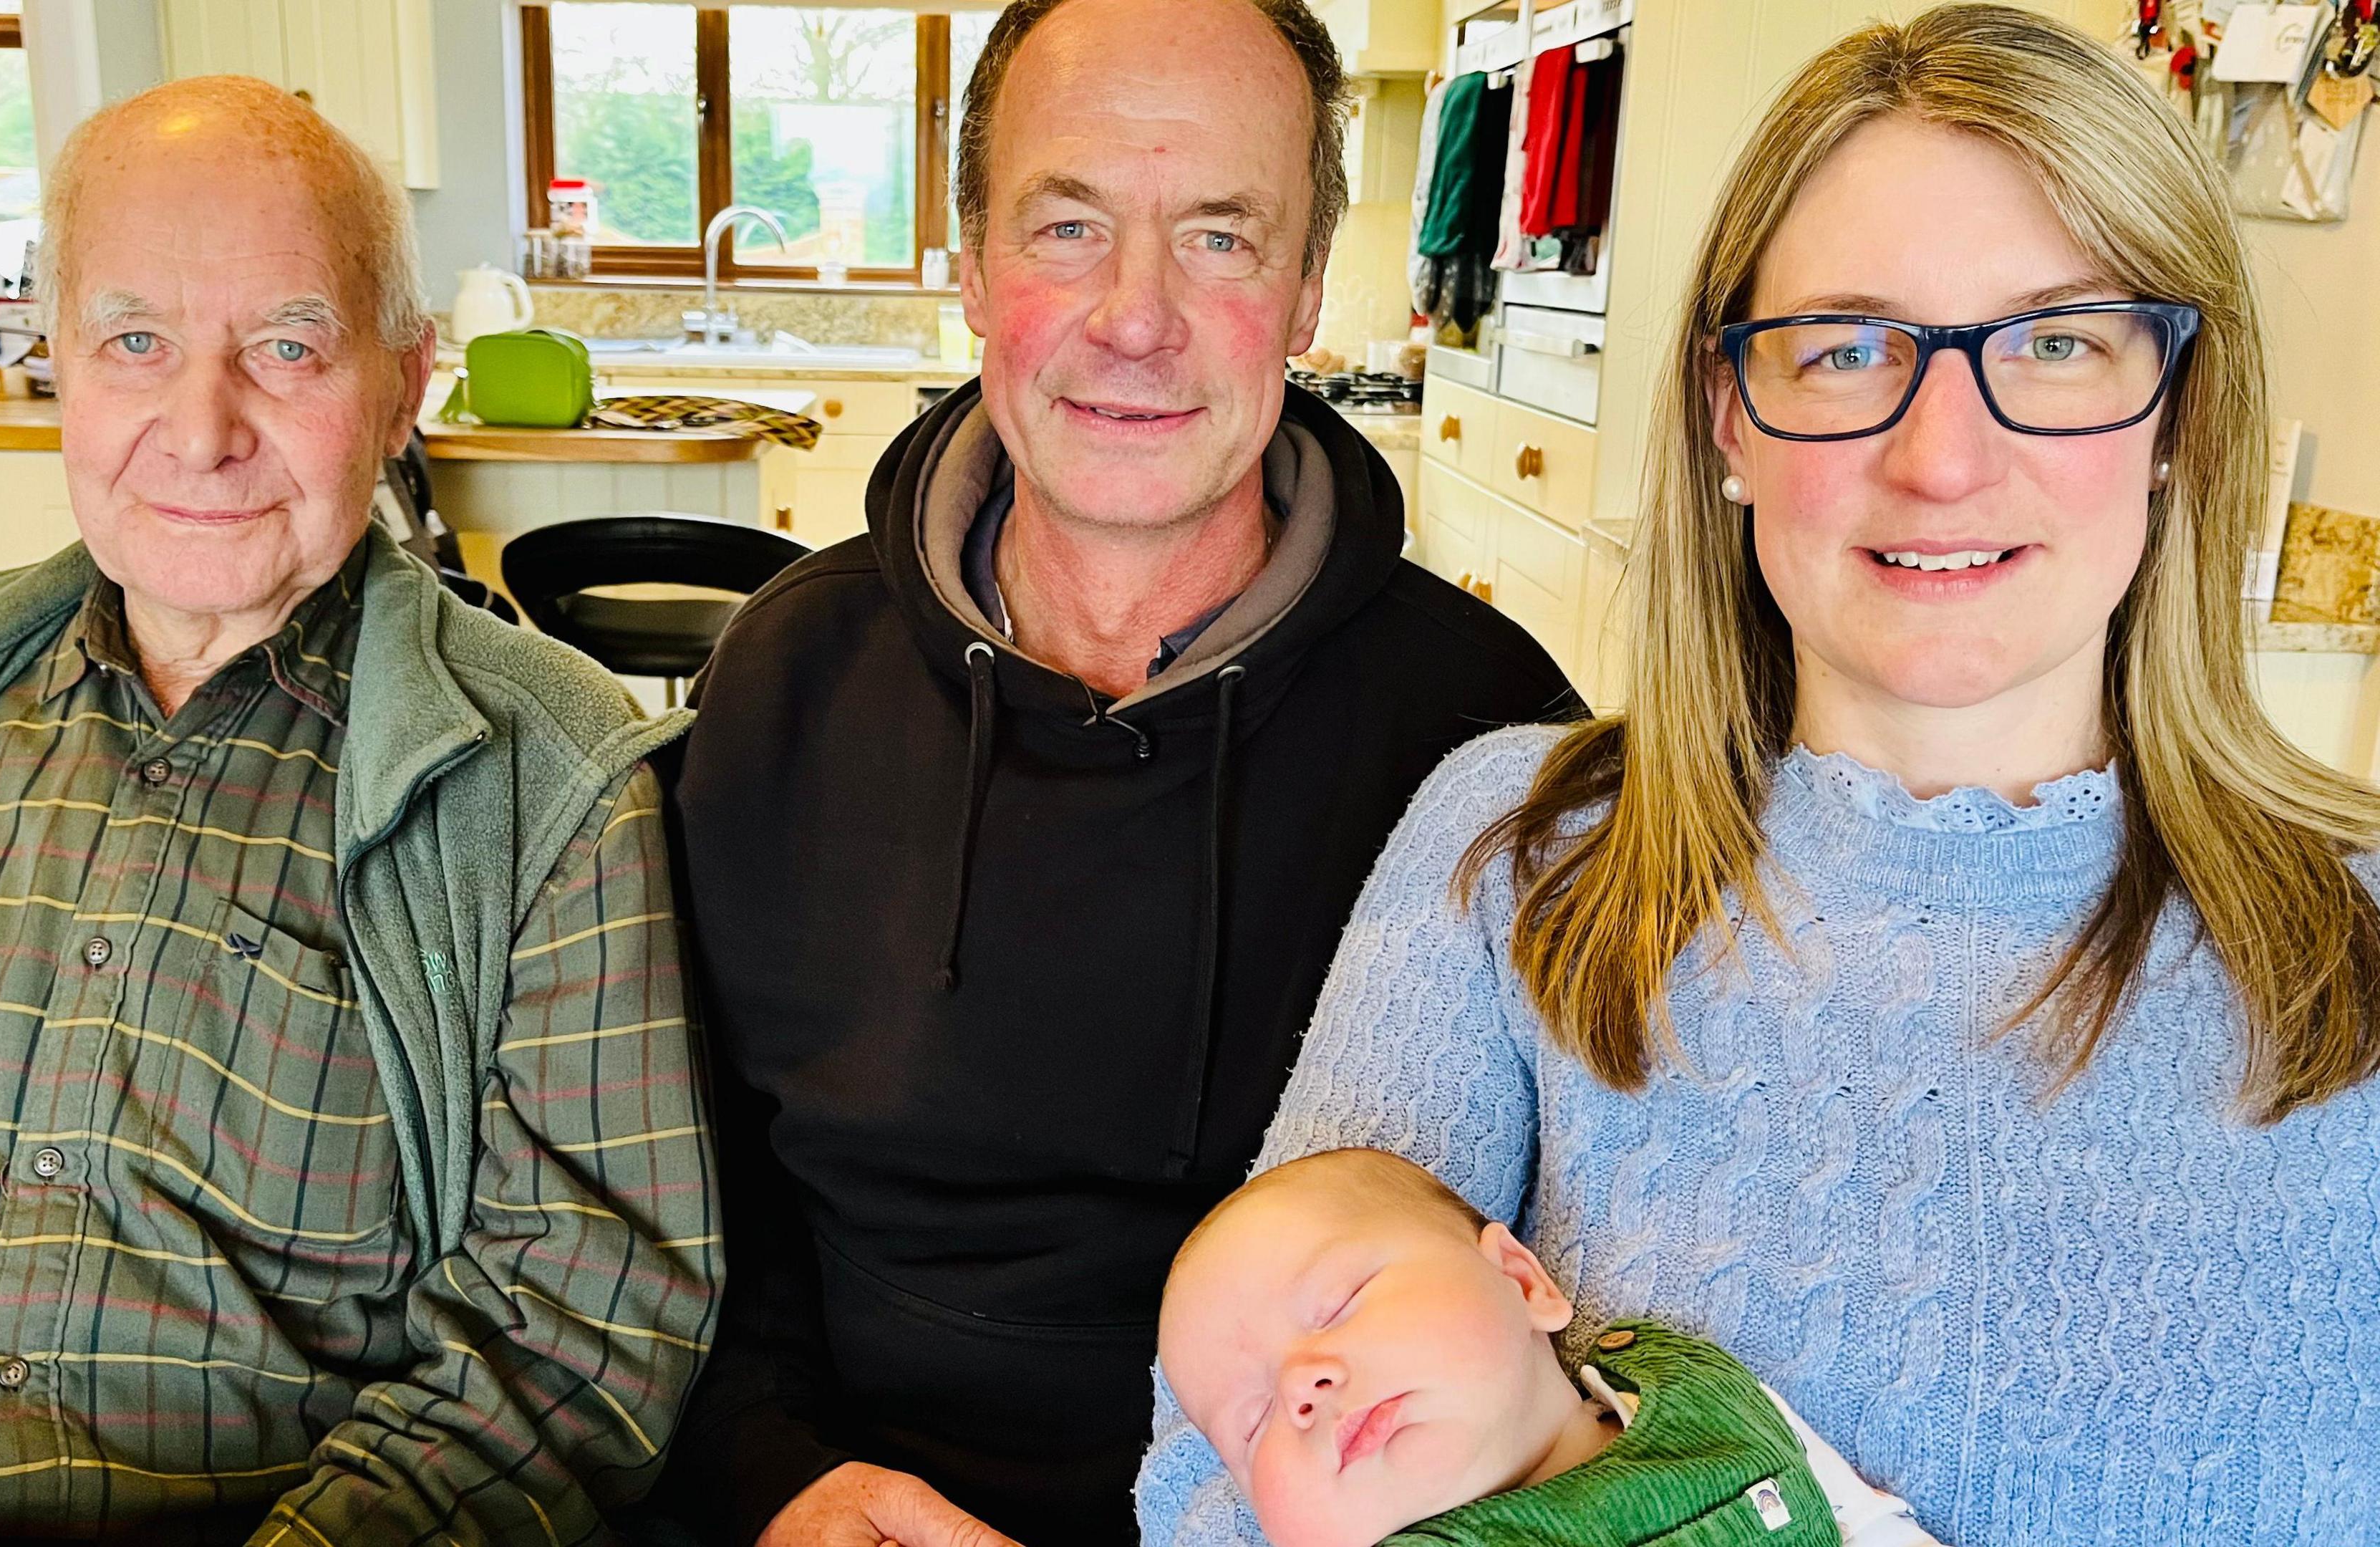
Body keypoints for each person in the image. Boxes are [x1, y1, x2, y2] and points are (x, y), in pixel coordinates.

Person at [1138, 6, 2380, 1543]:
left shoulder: (2364, 939)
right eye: (1846, 347)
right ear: (1730, 415)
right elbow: (1225, 1477)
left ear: (2178, 411)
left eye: (2056, 343)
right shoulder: (1515, 850)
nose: (1942, 458)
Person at [0, 79, 717, 1544]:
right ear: (59, 366)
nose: (200, 431)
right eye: (135, 343)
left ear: (404, 383)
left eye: (286, 347)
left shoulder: (549, 786)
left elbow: (572, 1333)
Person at [657, 0, 1576, 1541]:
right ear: (971, 269)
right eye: (1068, 226)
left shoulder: (1492, 748)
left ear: (1302, 294)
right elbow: (692, 1195)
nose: (1136, 318)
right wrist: (778, 1479)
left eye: (1221, 237)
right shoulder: (784, 682)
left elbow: (1571, 1278)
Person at [1159, 1149, 1936, 1547]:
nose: (1303, 1385)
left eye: (1339, 1303)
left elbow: (1865, 1524)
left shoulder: (1696, 1388)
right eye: (1253, 1423)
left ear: (1524, 1283)